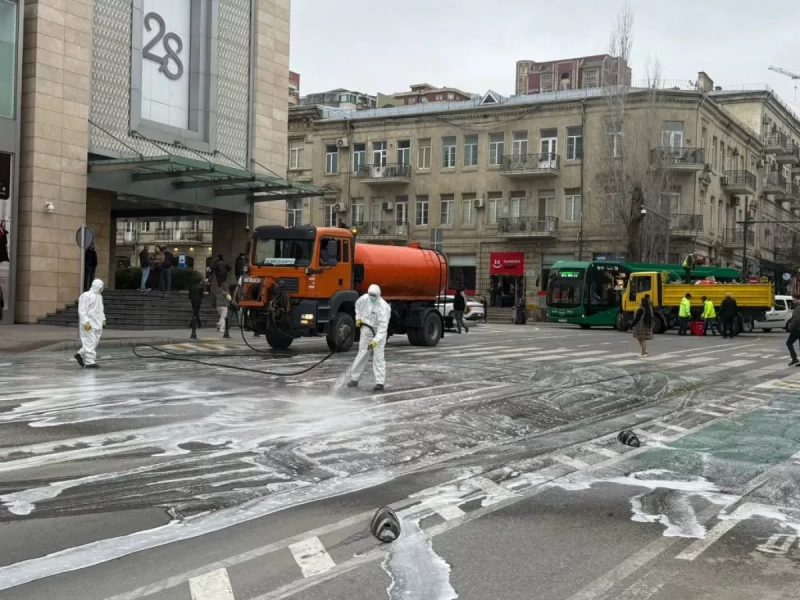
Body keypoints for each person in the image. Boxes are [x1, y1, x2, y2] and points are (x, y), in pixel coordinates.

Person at [347, 284, 391, 392]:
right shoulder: (363, 299)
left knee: (378, 357)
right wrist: (358, 318)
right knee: (362, 353)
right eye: (370, 294)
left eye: (374, 295)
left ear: (378, 295)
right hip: (366, 331)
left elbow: (383, 327)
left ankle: (379, 383)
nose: (371, 297)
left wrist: (375, 341)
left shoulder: (384, 307)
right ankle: (354, 379)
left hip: (378, 333)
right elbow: (357, 306)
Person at [74, 279, 106, 369]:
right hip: (89, 324)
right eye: (101, 286)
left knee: (93, 342)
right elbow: (82, 310)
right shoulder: (86, 296)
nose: (102, 288)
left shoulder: (99, 296)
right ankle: (90, 362)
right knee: (90, 342)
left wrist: (103, 319)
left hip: (98, 323)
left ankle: (80, 354)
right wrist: (86, 322)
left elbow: (100, 310)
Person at [786, 294, 800, 366]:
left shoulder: (798, 308)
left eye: (794, 300)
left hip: (797, 330)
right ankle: (795, 359)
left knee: (789, 343)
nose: (793, 301)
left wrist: (791, 326)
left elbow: (797, 319)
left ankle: (794, 359)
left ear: (798, 299)